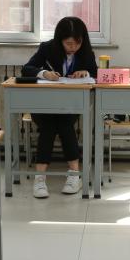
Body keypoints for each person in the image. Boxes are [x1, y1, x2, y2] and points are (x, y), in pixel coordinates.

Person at [20, 16, 98, 198]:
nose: (73, 47)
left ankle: (74, 176)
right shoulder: (47, 48)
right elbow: (27, 68)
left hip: (69, 106)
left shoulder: (86, 52)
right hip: (43, 104)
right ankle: (40, 179)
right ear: (60, 40)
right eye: (69, 43)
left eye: (77, 43)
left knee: (63, 123)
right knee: (49, 125)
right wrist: (44, 73)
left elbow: (96, 73)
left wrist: (86, 72)